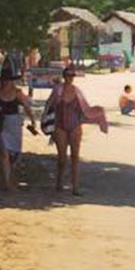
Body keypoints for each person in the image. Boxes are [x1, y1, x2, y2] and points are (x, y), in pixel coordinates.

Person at [45, 67, 101, 195]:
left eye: (72, 76)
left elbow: (85, 108)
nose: (70, 78)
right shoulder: (58, 90)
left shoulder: (77, 91)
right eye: (68, 75)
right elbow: (49, 106)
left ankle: (75, 187)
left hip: (75, 126)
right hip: (60, 125)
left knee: (75, 156)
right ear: (64, 76)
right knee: (62, 158)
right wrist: (48, 125)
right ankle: (59, 183)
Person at [0, 70, 36, 191]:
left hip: (14, 125)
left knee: (13, 155)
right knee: (4, 153)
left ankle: (9, 178)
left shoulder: (17, 93)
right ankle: (7, 182)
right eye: (4, 80)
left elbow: (26, 107)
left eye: (8, 80)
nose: (5, 82)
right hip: (0, 125)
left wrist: (32, 120)